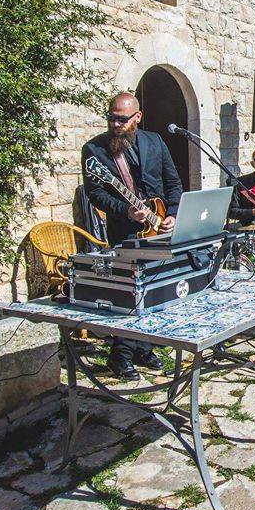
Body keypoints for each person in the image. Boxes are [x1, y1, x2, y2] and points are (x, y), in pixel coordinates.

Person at [82, 92, 181, 380]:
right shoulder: (95, 150)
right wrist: (126, 211)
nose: (115, 124)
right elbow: (95, 194)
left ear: (137, 117)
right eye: (111, 118)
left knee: (152, 290)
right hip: (124, 231)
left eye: (122, 119)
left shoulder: (155, 141)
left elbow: (172, 181)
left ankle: (144, 348)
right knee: (130, 293)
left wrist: (172, 213)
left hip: (157, 226)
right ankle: (120, 356)